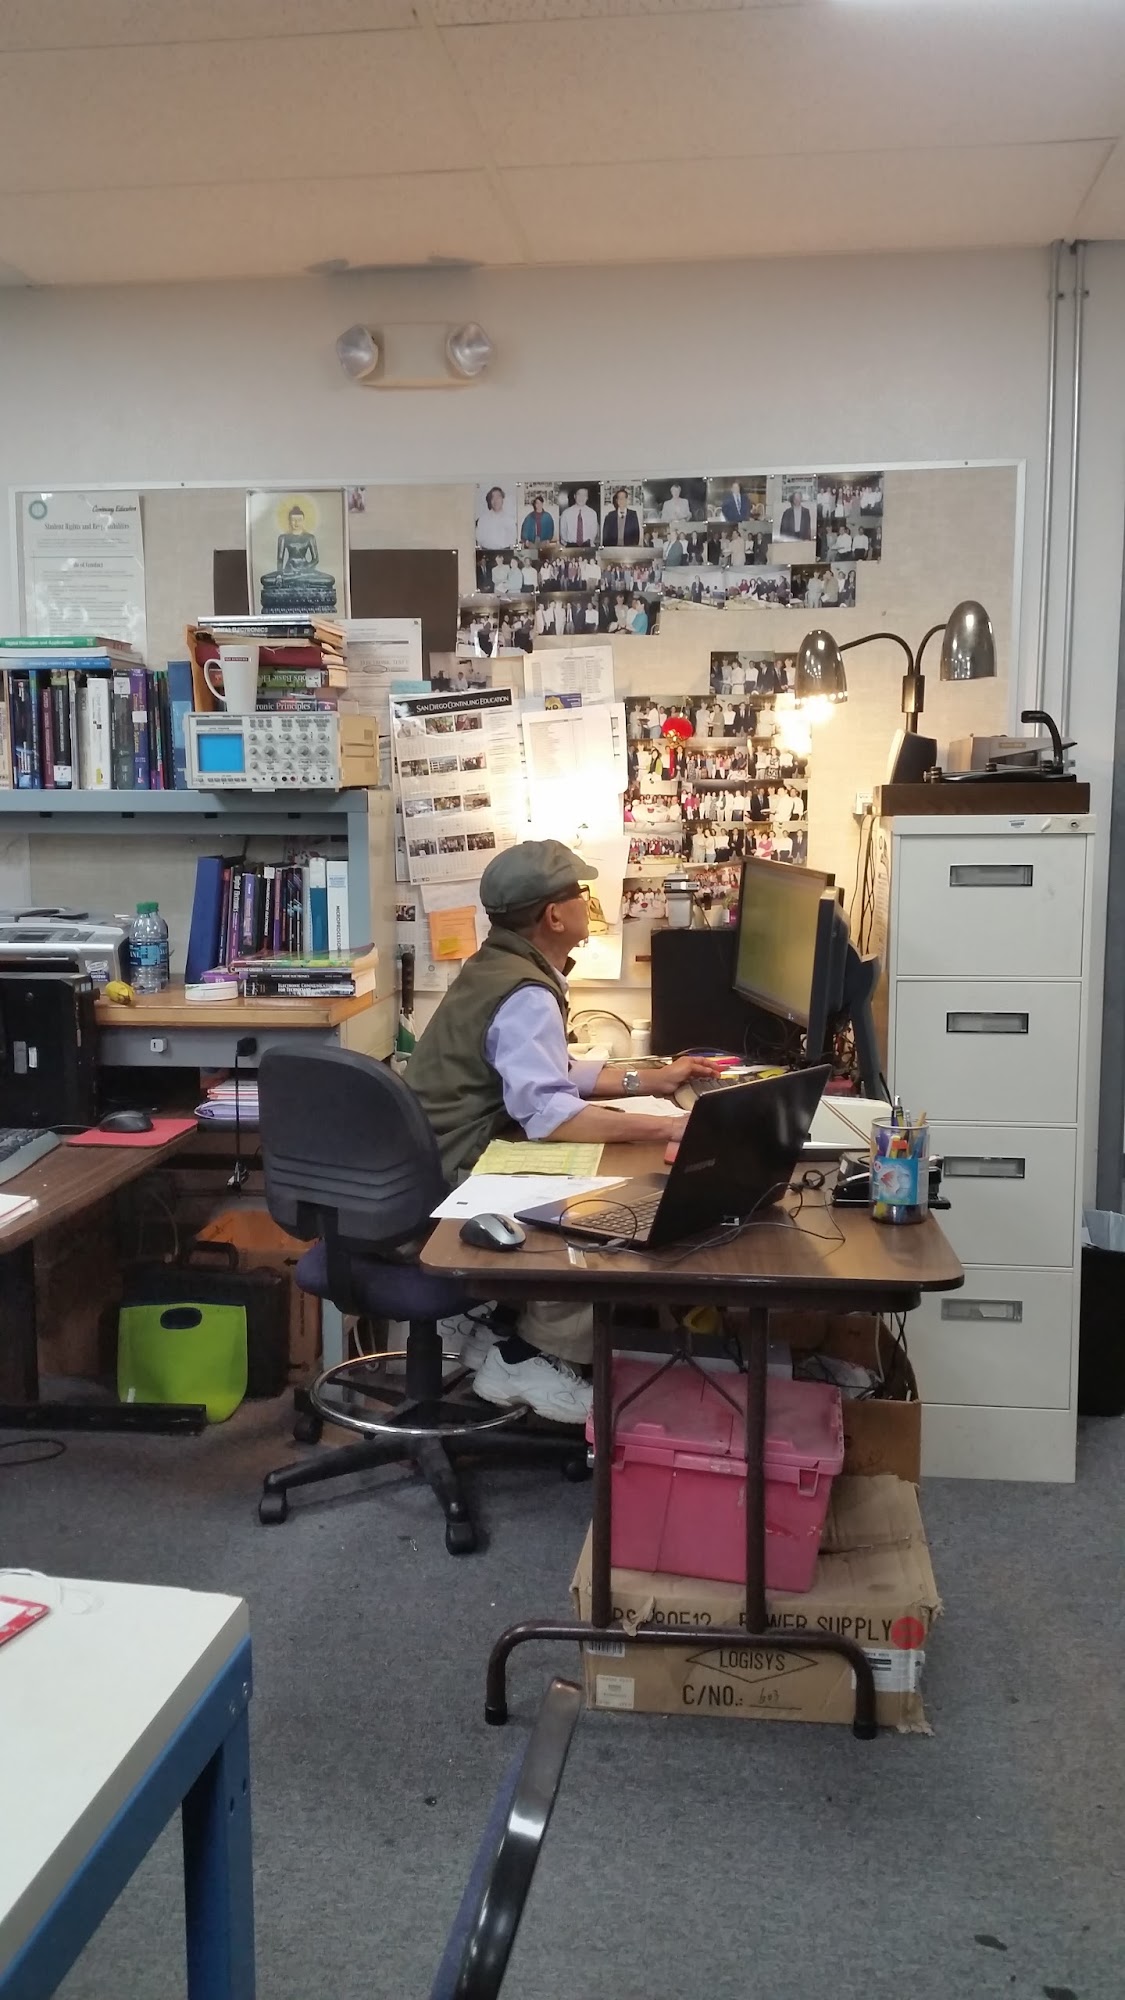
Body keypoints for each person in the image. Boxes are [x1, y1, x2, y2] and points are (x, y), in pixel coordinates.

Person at [406, 843, 722, 1421]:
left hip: (429, 1156)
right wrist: (673, 1125)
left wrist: (652, 1079)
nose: (587, 902)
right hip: (455, 1168)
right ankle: (529, 1355)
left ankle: (498, 1324)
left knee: (605, 1166)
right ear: (554, 915)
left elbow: (551, 1071)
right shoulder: (526, 991)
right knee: (606, 1207)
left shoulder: (498, 967)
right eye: (580, 892)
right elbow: (551, 1115)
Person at [477, 485, 517, 550]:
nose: (496, 501)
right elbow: (479, 542)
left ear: (502, 499)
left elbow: (512, 543)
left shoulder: (510, 520)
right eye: (493, 498)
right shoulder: (482, 519)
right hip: (486, 552)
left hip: (505, 552)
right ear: (490, 501)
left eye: (498, 497)